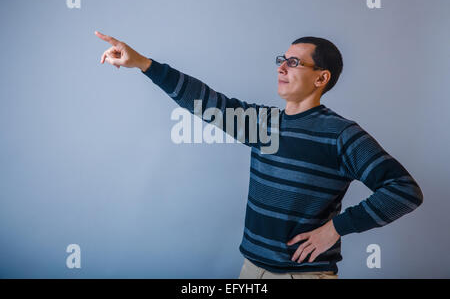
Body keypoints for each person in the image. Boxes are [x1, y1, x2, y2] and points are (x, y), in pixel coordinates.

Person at [95, 31, 423, 279]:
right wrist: (143, 64)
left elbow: (404, 191)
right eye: (281, 59)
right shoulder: (263, 125)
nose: (282, 67)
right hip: (252, 272)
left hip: (304, 276)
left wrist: (335, 228)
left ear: (321, 78)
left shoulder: (342, 134)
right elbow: (206, 101)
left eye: (294, 62)